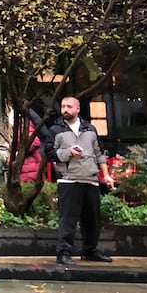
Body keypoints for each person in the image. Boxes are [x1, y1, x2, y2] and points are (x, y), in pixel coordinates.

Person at [51, 96, 114, 266]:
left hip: (90, 179)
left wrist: (106, 175)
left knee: (92, 219)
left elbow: (99, 152)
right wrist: (69, 152)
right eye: (63, 106)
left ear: (77, 109)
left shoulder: (90, 129)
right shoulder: (56, 129)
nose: (65, 109)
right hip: (69, 180)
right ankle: (63, 253)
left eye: (69, 106)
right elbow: (50, 153)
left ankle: (90, 251)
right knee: (68, 219)